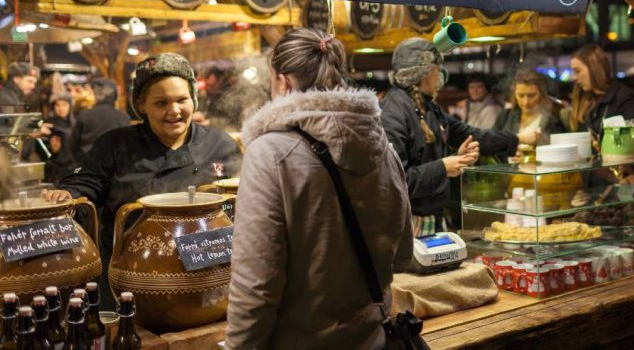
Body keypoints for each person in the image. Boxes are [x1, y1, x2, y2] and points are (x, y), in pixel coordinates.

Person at [226, 29, 412, 349]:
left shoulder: (269, 153)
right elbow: (403, 255)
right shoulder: (384, 148)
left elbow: (256, 289)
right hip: (372, 341)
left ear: (282, 81)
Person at [43, 53, 242, 306]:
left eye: (182, 100)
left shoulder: (220, 144)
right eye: (161, 103)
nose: (174, 111)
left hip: (208, 274)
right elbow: (87, 183)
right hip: (132, 277)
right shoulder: (115, 145)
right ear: (142, 105)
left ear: (194, 99)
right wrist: (66, 193)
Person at [379, 37, 538, 235]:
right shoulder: (391, 114)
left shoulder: (429, 106)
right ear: (426, 71)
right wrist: (443, 167)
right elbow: (395, 181)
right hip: (407, 226)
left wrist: (517, 139)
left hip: (434, 219)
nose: (441, 75)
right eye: (438, 68)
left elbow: (472, 134)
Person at [569, 43, 634, 138]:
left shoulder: (625, 98)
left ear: (594, 69)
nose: (574, 77)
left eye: (577, 71)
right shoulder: (583, 98)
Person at [493, 69, 566, 149]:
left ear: (542, 94)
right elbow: (492, 144)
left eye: (531, 95)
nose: (526, 102)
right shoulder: (505, 117)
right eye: (521, 95)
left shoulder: (554, 118)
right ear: (514, 94)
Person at [68, 78, 130, 165]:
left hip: (90, 166)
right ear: (115, 96)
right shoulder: (124, 117)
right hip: (115, 169)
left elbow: (73, 145)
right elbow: (128, 147)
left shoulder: (85, 115)